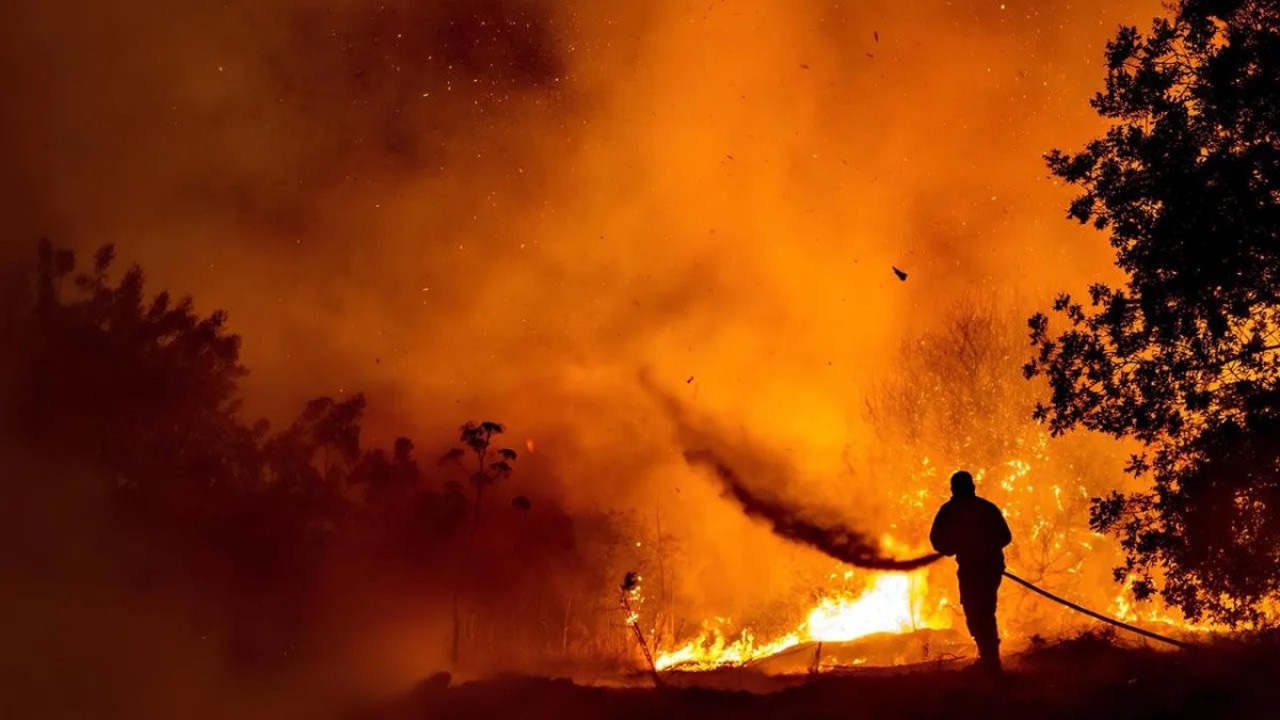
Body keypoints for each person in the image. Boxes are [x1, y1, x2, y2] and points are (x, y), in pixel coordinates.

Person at [929, 470, 1012, 672]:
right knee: (978, 611)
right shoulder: (985, 508)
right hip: (982, 567)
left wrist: (971, 547)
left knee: (980, 610)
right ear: (971, 487)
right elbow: (938, 541)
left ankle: (991, 661)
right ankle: (989, 658)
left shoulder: (950, 510)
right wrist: (956, 547)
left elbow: (1004, 537)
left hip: (982, 567)